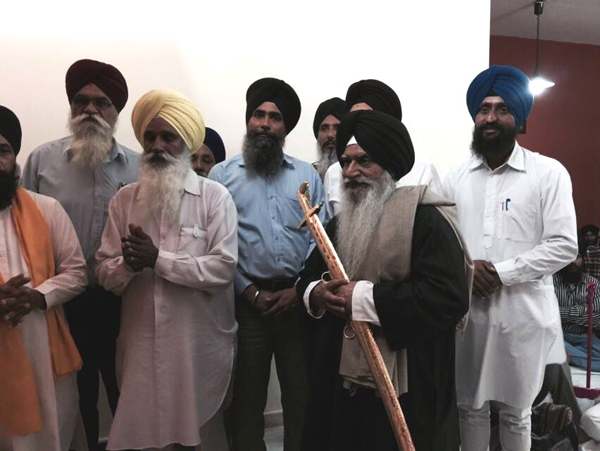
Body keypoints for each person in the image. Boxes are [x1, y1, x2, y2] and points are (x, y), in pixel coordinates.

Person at [297, 109, 471, 451]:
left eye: (364, 161)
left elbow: (448, 297)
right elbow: (306, 277)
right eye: (346, 162)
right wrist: (316, 293)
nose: (351, 172)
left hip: (407, 385)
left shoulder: (425, 220)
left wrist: (363, 298)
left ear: (389, 166)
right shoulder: (338, 225)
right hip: (341, 385)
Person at [443, 65, 578, 450]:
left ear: (518, 119)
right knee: (470, 408)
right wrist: (468, 271)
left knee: (517, 413)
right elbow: (443, 243)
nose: (491, 117)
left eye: (502, 109)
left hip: (523, 317)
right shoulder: (455, 178)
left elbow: (563, 244)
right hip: (468, 316)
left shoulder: (548, 173)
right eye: (484, 109)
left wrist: (500, 272)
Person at [95, 89, 238, 450]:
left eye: (168, 137)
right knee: (143, 435)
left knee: (199, 436)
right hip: (141, 346)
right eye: (150, 137)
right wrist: (128, 265)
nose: (157, 146)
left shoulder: (215, 197)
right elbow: (105, 274)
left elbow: (223, 269)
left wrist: (157, 260)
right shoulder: (124, 200)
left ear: (186, 143)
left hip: (196, 345)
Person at [21, 58, 139, 450]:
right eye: (81, 101)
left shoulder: (138, 167)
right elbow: (22, 225)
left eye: (101, 102)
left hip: (121, 300)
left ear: (116, 111)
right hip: (60, 302)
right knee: (75, 395)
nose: (90, 109)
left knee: (126, 390)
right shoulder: (42, 161)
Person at [209, 77, 325, 451]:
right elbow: (218, 246)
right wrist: (249, 291)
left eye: (275, 117)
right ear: (248, 120)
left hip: (297, 305)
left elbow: (319, 239)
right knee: (246, 403)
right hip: (247, 307)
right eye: (258, 115)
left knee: (301, 399)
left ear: (285, 127)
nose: (264, 123)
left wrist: (298, 289)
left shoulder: (306, 176)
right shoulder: (222, 176)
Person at [0, 105, 87, 450]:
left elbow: (77, 271)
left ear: (14, 157)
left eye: (3, 151)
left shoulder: (47, 209)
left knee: (50, 432)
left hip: (43, 345)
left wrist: (37, 297)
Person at [323, 79, 442, 219]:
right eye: (352, 117)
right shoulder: (334, 173)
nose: (359, 123)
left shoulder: (423, 171)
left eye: (368, 117)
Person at [554, 254, 600, 371]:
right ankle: (571, 355)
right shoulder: (551, 282)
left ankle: (567, 355)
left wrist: (562, 315)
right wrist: (581, 310)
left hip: (584, 336)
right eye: (569, 256)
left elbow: (596, 319)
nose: (573, 262)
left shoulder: (593, 284)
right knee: (550, 345)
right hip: (559, 334)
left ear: (583, 260)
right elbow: (548, 314)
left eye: (577, 257)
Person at [312, 97, 346, 180]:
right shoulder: (308, 176)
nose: (330, 135)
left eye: (337, 128)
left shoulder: (358, 176)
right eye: (324, 129)